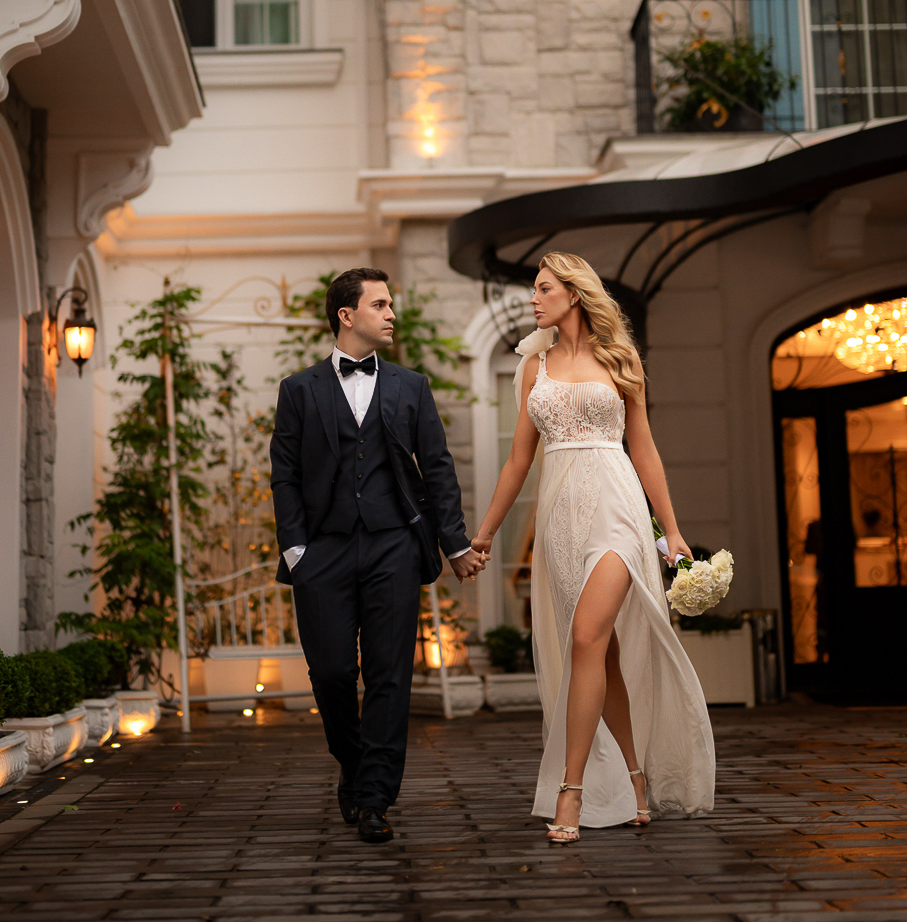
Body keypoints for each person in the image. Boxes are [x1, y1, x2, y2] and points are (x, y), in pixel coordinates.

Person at [471, 252, 715, 843]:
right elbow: (518, 461)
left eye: (543, 288)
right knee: (598, 656)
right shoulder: (534, 367)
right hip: (559, 516)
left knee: (586, 638)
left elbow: (644, 448)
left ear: (573, 294)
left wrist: (672, 530)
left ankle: (570, 791)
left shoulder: (620, 357)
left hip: (617, 507)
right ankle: (635, 779)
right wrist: (483, 536)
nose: (533, 299)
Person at [270, 268, 485, 843]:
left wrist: (455, 542)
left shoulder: (410, 387)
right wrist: (296, 549)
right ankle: (354, 760)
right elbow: (285, 477)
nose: (392, 314)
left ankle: (374, 800)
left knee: (390, 676)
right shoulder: (298, 390)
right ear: (347, 314)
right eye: (381, 304)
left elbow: (437, 469)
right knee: (333, 671)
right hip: (322, 553)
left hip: (393, 544)